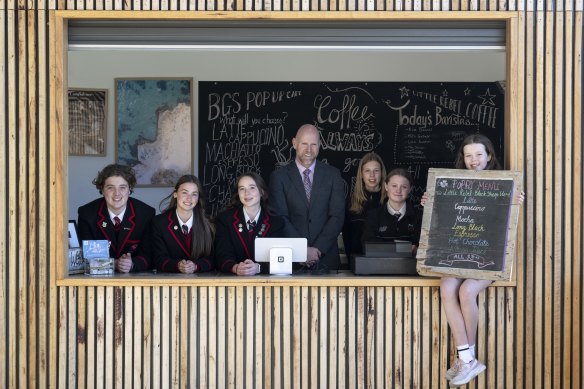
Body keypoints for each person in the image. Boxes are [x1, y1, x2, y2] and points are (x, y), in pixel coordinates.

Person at [420, 134, 525, 386]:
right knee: (446, 287)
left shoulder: (504, 183)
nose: (473, 160)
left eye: (478, 154)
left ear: (489, 156)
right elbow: (441, 217)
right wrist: (430, 201)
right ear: (463, 158)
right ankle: (467, 359)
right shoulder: (454, 183)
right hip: (458, 251)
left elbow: (507, 226)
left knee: (467, 291)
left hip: (489, 256)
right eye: (468, 155)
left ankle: (467, 357)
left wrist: (515, 203)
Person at [269, 123, 345, 271]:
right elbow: (280, 217)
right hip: (290, 260)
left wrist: (318, 249)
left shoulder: (333, 175)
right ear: (294, 143)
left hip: (326, 259)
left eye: (313, 144)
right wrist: (302, 250)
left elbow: (337, 216)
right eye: (304, 143)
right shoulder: (279, 177)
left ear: (319, 145)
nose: (309, 150)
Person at [77, 164, 155, 273]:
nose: (117, 193)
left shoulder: (146, 214)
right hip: (98, 280)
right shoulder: (87, 214)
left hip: (135, 280)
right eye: (110, 187)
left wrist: (132, 264)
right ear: (102, 190)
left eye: (122, 187)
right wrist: (113, 264)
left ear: (129, 189)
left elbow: (150, 255)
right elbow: (86, 259)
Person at [215, 172, 285, 275]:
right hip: (232, 282)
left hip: (266, 284)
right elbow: (221, 255)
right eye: (242, 189)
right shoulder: (225, 219)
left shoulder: (275, 222)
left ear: (262, 192)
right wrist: (235, 268)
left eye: (252, 188)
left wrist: (258, 268)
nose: (246, 193)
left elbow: (282, 258)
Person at [152, 175, 215, 273]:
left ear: (198, 198)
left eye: (194, 194)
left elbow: (214, 258)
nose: (189, 198)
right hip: (169, 283)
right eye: (184, 192)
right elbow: (158, 259)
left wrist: (195, 266)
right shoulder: (159, 223)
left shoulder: (209, 223)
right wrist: (177, 265)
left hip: (202, 283)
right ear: (175, 194)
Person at [362, 168, 422, 255]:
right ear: (386, 186)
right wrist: (405, 248)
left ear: (410, 189)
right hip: (379, 266)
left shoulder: (419, 216)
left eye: (404, 187)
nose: (398, 190)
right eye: (394, 186)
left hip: (411, 267)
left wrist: (386, 245)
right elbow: (368, 245)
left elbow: (423, 247)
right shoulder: (373, 216)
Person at [343, 152, 387, 259]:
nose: (372, 175)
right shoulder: (351, 203)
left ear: (381, 173)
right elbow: (347, 237)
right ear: (361, 174)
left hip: (386, 262)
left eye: (376, 171)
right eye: (367, 171)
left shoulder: (390, 201)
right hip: (358, 263)